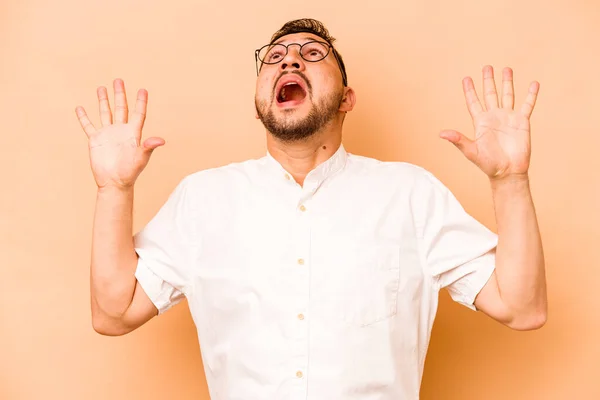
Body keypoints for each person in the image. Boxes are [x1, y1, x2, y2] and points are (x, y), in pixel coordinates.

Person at [75, 18, 547, 400]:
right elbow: (114, 314)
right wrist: (114, 189)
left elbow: (521, 307)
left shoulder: (409, 193)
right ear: (260, 102)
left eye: (312, 54)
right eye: (274, 57)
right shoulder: (202, 199)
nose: (290, 60)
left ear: (347, 99)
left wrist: (510, 181)